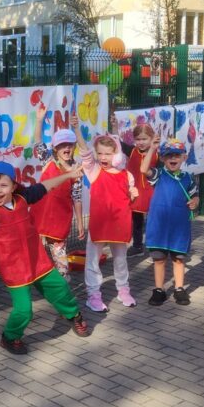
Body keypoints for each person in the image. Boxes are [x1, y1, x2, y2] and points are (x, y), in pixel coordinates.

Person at [0, 160, 87, 354]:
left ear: (13, 186)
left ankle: (74, 316)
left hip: (37, 260)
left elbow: (46, 185)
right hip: (14, 268)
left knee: (60, 288)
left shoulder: (24, 197)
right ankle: (9, 337)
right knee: (24, 310)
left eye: (3, 185)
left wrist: (68, 175)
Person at [75, 133, 138, 313]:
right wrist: (77, 129)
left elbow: (129, 200)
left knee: (120, 259)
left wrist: (133, 194)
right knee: (93, 261)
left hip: (119, 224)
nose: (103, 157)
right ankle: (93, 295)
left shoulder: (127, 176)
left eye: (108, 153)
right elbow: (85, 153)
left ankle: (123, 290)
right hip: (99, 225)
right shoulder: (94, 170)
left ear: (117, 154)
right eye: (100, 153)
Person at [30, 103, 84, 279]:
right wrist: (39, 120)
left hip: (60, 219)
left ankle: (63, 286)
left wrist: (81, 223)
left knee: (60, 258)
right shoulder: (48, 161)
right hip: (39, 216)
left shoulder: (77, 170)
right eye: (62, 145)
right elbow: (38, 143)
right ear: (55, 149)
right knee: (34, 252)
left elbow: (77, 198)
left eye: (69, 145)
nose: (66, 148)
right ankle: (34, 280)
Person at [145, 138, 199, 306]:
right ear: (162, 158)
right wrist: (152, 149)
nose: (173, 159)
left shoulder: (188, 178)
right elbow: (143, 169)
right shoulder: (159, 174)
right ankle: (159, 290)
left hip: (179, 227)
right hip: (159, 227)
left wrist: (195, 201)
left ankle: (179, 289)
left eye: (177, 155)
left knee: (179, 259)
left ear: (184, 157)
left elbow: (195, 195)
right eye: (168, 156)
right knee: (159, 260)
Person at [124, 124, 157, 255]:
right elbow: (118, 143)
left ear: (151, 138)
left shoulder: (158, 154)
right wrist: (114, 127)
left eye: (144, 139)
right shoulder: (132, 151)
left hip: (152, 192)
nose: (141, 142)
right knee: (137, 221)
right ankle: (137, 246)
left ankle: (155, 247)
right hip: (136, 193)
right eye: (138, 139)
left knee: (153, 221)